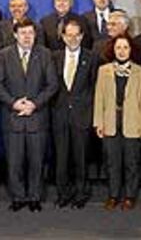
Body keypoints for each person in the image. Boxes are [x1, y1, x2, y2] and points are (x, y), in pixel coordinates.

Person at [0, 18, 58, 212]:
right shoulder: (4, 55)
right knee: (14, 162)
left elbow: (52, 84)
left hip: (37, 117)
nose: (27, 36)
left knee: (37, 162)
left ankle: (35, 197)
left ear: (35, 34)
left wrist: (34, 104)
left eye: (30, 32)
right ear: (15, 35)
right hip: (12, 118)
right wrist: (14, 103)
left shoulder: (45, 54)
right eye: (23, 33)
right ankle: (18, 197)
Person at [52, 19, 98, 210]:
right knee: (61, 158)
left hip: (82, 116)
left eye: (75, 35)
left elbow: (95, 87)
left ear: (81, 36)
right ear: (63, 37)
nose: (72, 38)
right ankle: (63, 194)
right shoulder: (54, 57)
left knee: (80, 158)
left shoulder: (92, 57)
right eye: (68, 35)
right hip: (59, 115)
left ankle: (81, 193)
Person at [94, 34, 141, 211]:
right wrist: (98, 122)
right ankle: (113, 195)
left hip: (133, 123)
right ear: (113, 50)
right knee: (112, 162)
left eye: (125, 47)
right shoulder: (104, 70)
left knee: (132, 162)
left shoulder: (139, 72)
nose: (122, 51)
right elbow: (99, 98)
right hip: (110, 122)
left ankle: (130, 196)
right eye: (118, 48)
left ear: (131, 50)